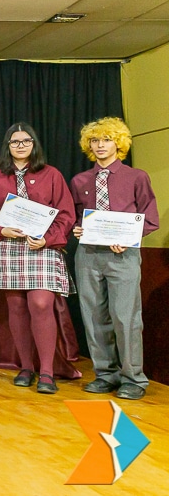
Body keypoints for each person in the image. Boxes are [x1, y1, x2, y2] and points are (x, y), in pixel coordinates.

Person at [0, 123, 75, 395]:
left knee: (41, 303)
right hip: (9, 246)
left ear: (34, 144)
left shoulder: (52, 174)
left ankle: (46, 372)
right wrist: (0, 230)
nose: (20, 145)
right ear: (7, 146)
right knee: (17, 308)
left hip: (41, 246)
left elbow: (66, 214)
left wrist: (48, 238)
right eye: (14, 141)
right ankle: (26, 367)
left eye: (26, 141)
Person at [71, 117, 158, 400]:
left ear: (118, 143)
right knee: (94, 316)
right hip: (88, 254)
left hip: (123, 255)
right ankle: (105, 374)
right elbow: (73, 216)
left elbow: (150, 218)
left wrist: (130, 239)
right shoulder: (80, 180)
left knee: (126, 317)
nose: (100, 145)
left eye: (106, 139)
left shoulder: (137, 177)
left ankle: (133, 378)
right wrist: (76, 228)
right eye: (95, 140)